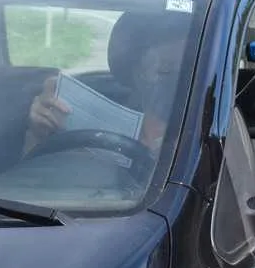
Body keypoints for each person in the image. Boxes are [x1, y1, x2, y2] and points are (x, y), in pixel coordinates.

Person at [23, 11, 189, 159]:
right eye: (163, 68)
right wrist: (39, 132)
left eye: (182, 70)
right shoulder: (80, 108)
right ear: (133, 68)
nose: (170, 79)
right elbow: (30, 179)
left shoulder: (203, 131)